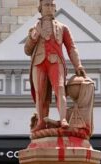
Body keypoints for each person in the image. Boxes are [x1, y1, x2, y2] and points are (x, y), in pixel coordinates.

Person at [24, 0, 86, 132]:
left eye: (52, 5)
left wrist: (78, 65)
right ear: (40, 8)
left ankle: (63, 119)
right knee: (40, 93)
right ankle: (41, 121)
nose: (50, 8)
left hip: (55, 61)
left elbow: (71, 48)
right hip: (39, 63)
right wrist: (34, 36)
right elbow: (27, 50)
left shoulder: (63, 28)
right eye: (46, 5)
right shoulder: (34, 29)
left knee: (60, 89)